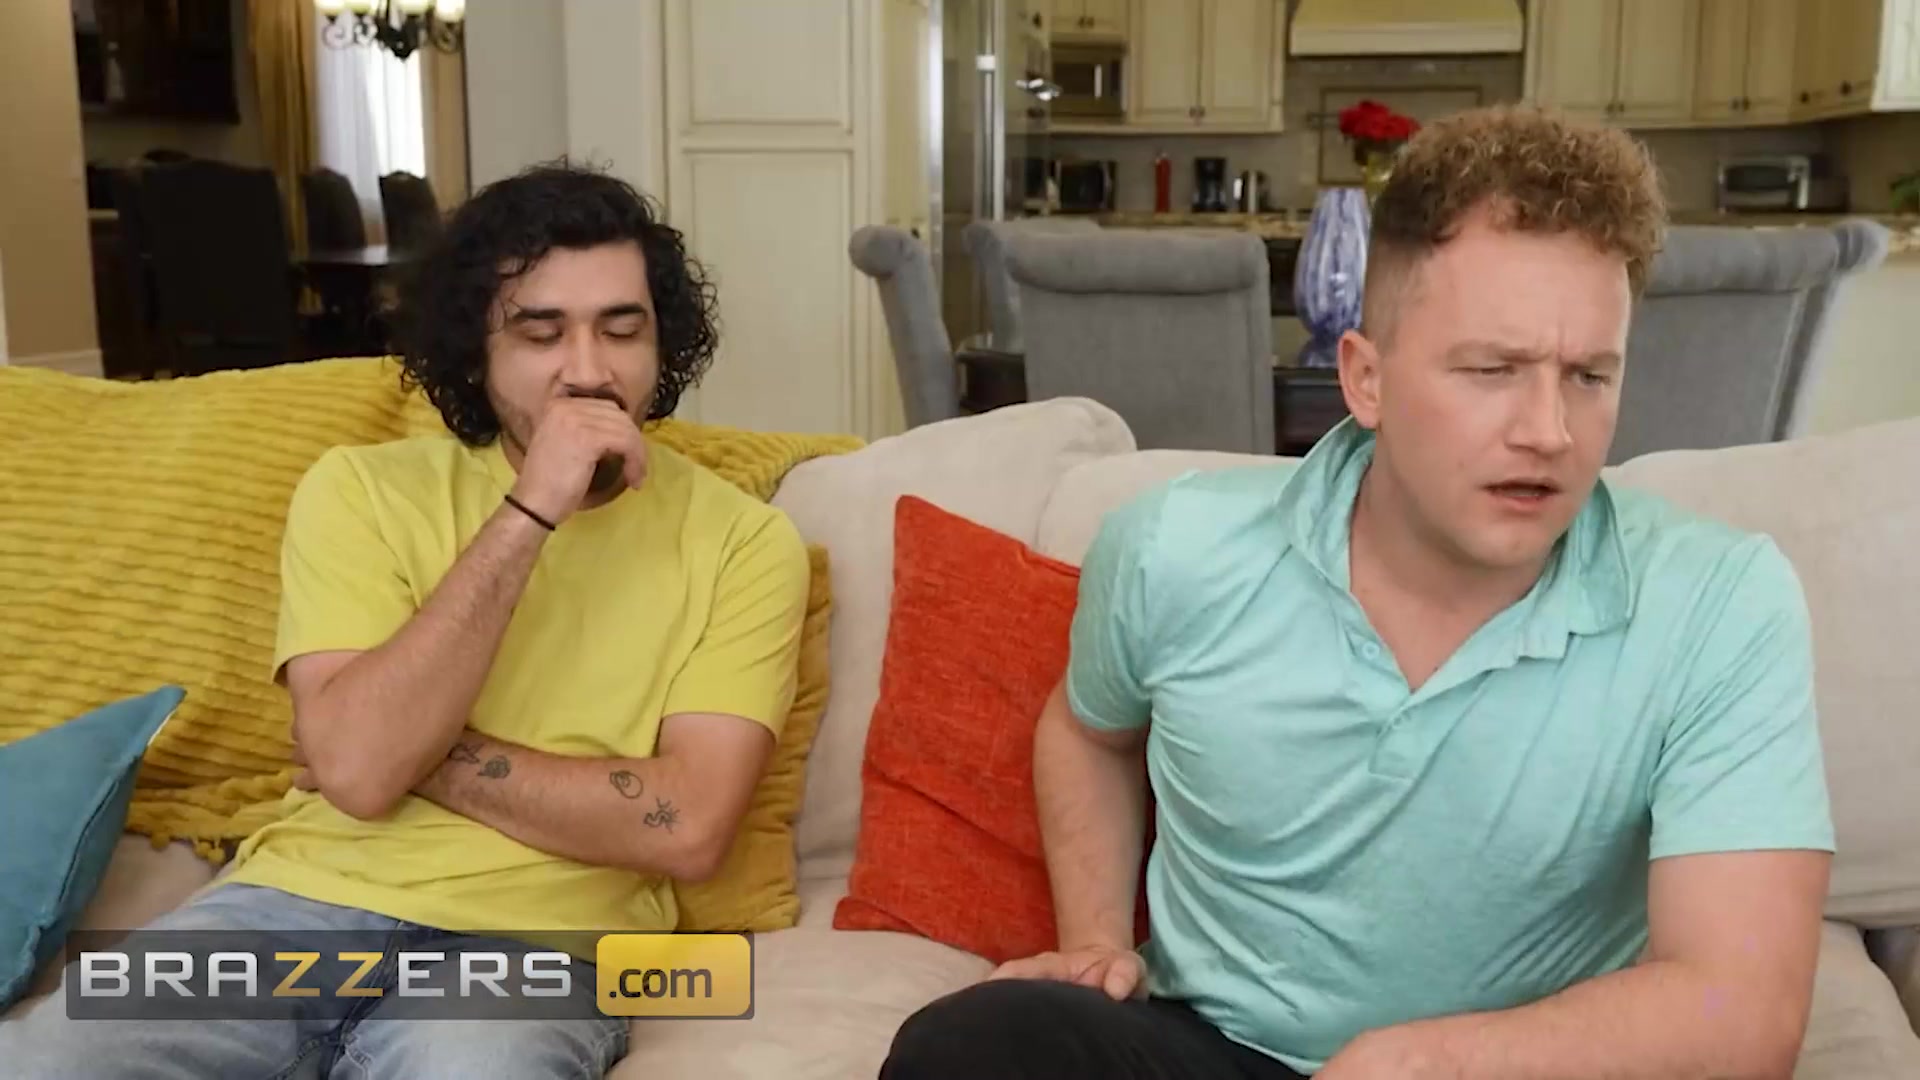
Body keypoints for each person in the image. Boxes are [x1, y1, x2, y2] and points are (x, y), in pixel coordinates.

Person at [879, 104, 1835, 1078]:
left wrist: (1431, 1065)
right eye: (1493, 369)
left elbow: (1743, 1009)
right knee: (966, 1047)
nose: (1549, 431)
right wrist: (1094, 942)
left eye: (1589, 375)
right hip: (1220, 1050)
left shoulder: (1722, 600)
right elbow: (1090, 732)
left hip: (1512, 1068)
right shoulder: (1172, 549)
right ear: (1365, 379)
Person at [1, 162, 811, 1078]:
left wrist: (406, 752)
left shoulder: (744, 542)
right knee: (46, 1060)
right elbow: (356, 773)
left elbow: (686, 826)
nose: (589, 371)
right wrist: (530, 513)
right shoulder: (360, 490)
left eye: (622, 330)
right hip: (297, 904)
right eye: (541, 333)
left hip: (543, 943)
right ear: (476, 350)